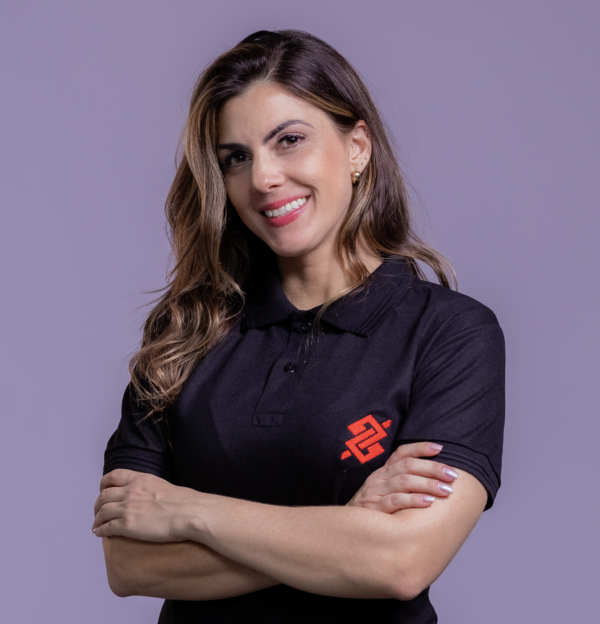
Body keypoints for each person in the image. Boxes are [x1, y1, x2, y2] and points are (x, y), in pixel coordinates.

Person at [92, 29, 505, 624]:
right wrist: (346, 529)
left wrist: (187, 512)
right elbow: (130, 566)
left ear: (357, 146)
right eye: (236, 158)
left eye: (289, 140)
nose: (262, 178)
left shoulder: (451, 334)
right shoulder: (184, 332)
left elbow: (400, 563)